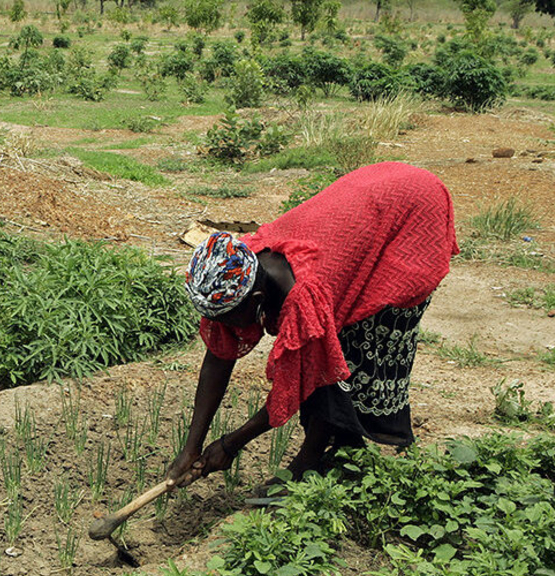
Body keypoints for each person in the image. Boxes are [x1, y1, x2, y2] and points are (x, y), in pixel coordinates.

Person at [163, 162, 459, 493]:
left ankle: (311, 462)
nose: (223, 329)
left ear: (258, 299)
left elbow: (305, 381)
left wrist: (230, 444)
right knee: (335, 346)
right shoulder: (240, 268)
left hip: (413, 212)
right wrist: (192, 446)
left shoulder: (302, 296)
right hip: (372, 193)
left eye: (228, 320)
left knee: (360, 341)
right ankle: (342, 444)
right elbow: (218, 358)